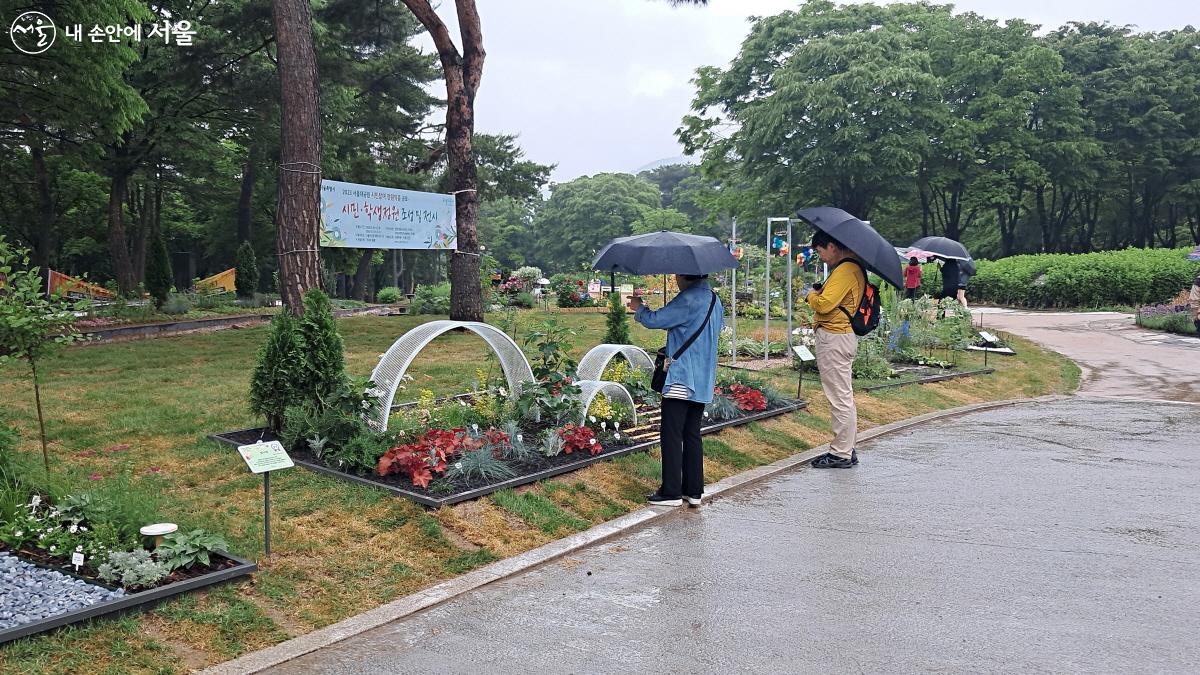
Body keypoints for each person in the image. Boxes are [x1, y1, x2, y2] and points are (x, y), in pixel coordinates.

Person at [629, 274, 724, 506]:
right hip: (702, 378)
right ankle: (693, 491)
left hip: (682, 378)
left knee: (671, 434)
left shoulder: (688, 299)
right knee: (692, 433)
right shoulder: (714, 299)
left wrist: (639, 308)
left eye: (676, 274)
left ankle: (671, 491)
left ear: (684, 275)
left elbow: (655, 320)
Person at [804, 230, 865, 469]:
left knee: (839, 397)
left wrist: (811, 296)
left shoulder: (846, 269)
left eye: (820, 252)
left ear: (831, 246)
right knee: (843, 395)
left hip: (835, 337)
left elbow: (826, 303)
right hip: (841, 336)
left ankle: (840, 453)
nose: (821, 257)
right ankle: (846, 447)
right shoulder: (853, 267)